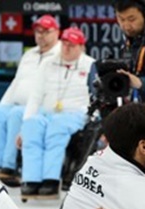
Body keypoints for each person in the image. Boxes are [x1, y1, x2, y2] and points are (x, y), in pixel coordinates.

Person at [19, 27, 96, 199]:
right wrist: (24, 125)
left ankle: (51, 180)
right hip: (47, 112)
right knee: (32, 126)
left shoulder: (90, 65)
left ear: (81, 47)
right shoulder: (48, 63)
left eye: (72, 45)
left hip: (75, 113)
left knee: (56, 128)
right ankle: (31, 180)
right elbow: (35, 96)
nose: (67, 48)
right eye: (65, 44)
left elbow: (96, 97)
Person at [0, 14, 62, 185]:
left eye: (46, 31)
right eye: (38, 31)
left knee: (16, 114)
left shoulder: (61, 54)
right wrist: (2, 104)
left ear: (57, 32)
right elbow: (16, 83)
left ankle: (9, 166)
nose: (41, 35)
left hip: (43, 108)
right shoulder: (29, 55)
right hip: (18, 104)